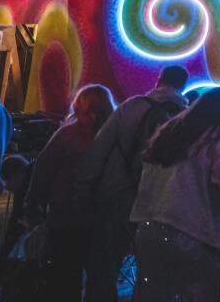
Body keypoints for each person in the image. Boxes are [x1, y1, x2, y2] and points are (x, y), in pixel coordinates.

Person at [74, 66, 188, 302]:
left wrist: (84, 188)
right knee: (153, 267)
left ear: (159, 80)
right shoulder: (186, 115)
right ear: (183, 86)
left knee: (105, 264)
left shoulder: (132, 106)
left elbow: (100, 148)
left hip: (118, 192)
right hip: (159, 200)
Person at [130, 86, 220, 300]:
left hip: (148, 227)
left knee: (151, 294)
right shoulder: (218, 138)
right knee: (196, 293)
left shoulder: (169, 131)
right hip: (191, 230)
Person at [26, 85, 116, 301]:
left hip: (66, 216)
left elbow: (43, 169)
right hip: (103, 217)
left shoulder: (67, 135)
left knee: (64, 279)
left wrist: (33, 203)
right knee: (102, 279)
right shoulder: (115, 137)